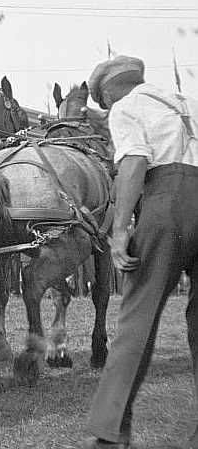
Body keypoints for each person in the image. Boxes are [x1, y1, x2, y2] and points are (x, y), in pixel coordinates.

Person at [82, 55, 198, 449]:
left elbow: (134, 163)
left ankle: (110, 434)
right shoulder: (188, 103)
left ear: (110, 91)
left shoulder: (128, 107)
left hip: (167, 199)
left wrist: (118, 231)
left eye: (103, 102)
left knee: (137, 318)